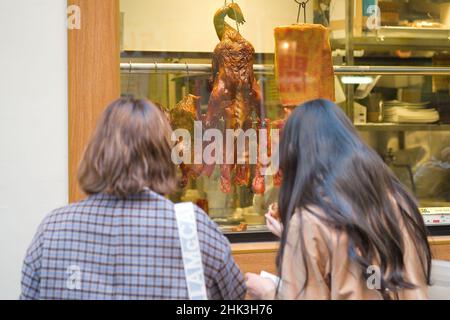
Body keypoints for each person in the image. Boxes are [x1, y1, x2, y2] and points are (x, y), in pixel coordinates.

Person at [20, 97, 246, 300]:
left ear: (97, 152)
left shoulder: (52, 230)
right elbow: (235, 296)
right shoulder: (194, 228)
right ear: (164, 155)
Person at [246, 99, 432, 300]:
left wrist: (269, 293)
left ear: (295, 156)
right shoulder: (398, 203)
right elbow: (371, 274)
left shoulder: (309, 222)